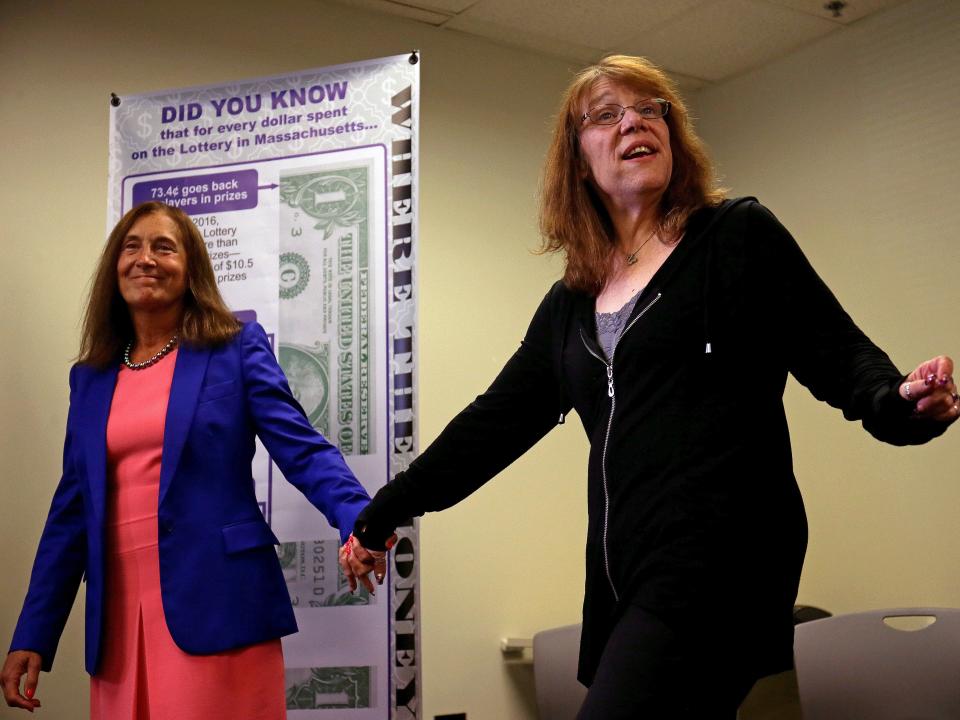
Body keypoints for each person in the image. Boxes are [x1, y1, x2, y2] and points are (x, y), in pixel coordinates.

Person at [340, 55, 959, 718]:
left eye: (650, 108)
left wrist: (903, 404)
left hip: (722, 564)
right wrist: (382, 515)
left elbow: (842, 358)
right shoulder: (571, 304)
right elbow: (490, 428)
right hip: (622, 577)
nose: (635, 121)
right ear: (579, 160)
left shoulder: (736, 239)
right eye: (606, 114)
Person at [2, 201, 383, 718]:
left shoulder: (235, 349)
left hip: (219, 602)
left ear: (191, 268)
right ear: (114, 267)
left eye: (164, 247)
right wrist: (34, 634)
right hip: (118, 619)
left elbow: (302, 448)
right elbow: (71, 510)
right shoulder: (89, 378)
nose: (145, 259)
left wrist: (360, 520)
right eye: (131, 247)